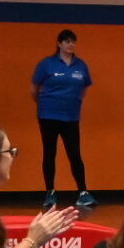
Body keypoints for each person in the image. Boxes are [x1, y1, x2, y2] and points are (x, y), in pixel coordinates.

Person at [30, 28, 93, 207]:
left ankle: (83, 192)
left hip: (71, 116)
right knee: (50, 153)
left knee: (75, 154)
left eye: (73, 41)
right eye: (67, 41)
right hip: (48, 115)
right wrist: (45, 104)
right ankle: (50, 192)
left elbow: (84, 89)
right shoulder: (47, 64)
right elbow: (34, 89)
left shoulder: (80, 65)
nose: (70, 44)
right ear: (59, 44)